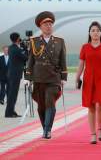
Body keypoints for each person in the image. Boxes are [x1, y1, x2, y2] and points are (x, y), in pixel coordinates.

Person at [25, 11, 68, 139]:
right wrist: (27, 77)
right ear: (40, 27)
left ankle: (48, 130)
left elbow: (63, 60)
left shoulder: (60, 42)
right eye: (45, 24)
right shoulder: (34, 41)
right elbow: (30, 60)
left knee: (50, 102)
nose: (48, 26)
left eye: (50, 24)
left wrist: (64, 77)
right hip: (38, 78)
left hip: (53, 77)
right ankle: (45, 127)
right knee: (41, 106)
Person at [75, 21, 101, 144]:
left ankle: (100, 129)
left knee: (100, 106)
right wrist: (77, 78)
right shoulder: (84, 47)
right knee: (91, 107)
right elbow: (81, 64)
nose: (95, 32)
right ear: (89, 33)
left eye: (97, 30)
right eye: (93, 30)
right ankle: (93, 134)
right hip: (88, 80)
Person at [5, 33, 28, 117]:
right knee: (12, 94)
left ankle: (11, 111)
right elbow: (26, 57)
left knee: (12, 94)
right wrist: (25, 47)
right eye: (19, 38)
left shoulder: (11, 47)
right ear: (18, 39)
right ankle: (9, 113)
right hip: (15, 75)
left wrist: (22, 46)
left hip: (12, 74)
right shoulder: (16, 49)